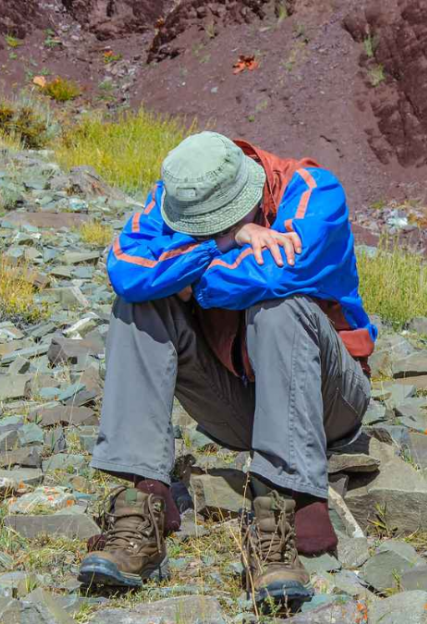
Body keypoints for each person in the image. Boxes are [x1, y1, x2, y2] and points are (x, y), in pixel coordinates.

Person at [77, 132, 375, 609]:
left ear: (254, 189)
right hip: (240, 407)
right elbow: (126, 270)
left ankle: (284, 502)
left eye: (222, 220)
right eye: (198, 226)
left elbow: (279, 273)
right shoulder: (177, 195)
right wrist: (226, 239)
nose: (204, 229)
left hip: (328, 402)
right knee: (137, 307)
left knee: (280, 306)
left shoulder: (315, 192)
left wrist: (185, 278)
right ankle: (145, 504)